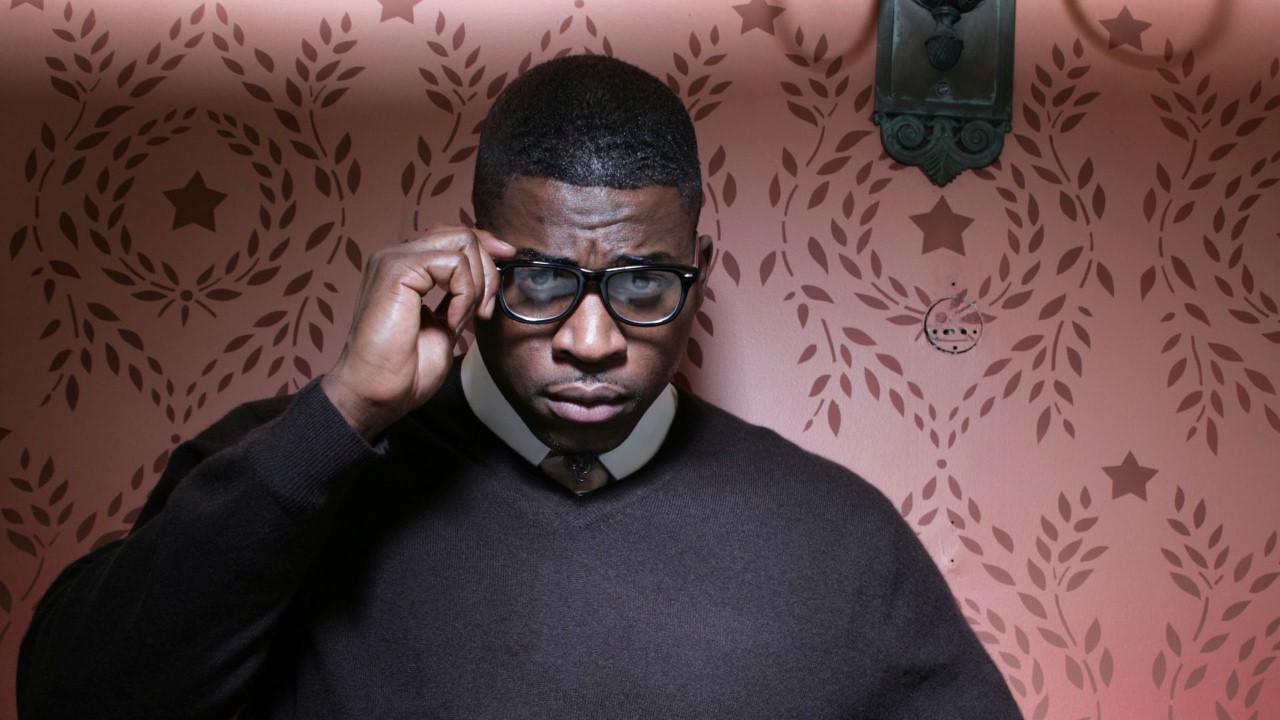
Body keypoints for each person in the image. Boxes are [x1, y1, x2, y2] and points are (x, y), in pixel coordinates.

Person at [17, 55, 1023, 719]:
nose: (591, 341)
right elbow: (73, 700)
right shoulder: (291, 468)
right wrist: (341, 416)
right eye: (542, 278)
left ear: (699, 274)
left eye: (641, 283)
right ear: (470, 261)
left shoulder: (838, 541)